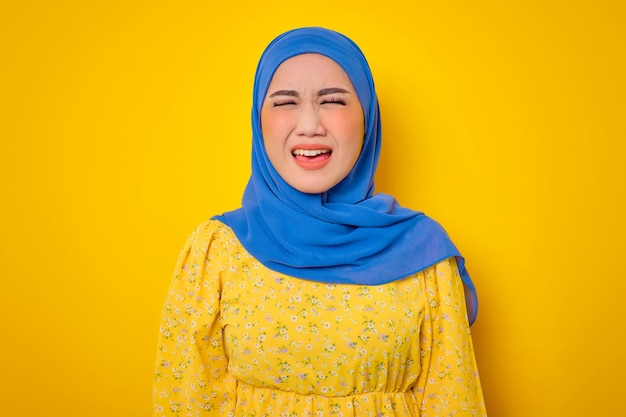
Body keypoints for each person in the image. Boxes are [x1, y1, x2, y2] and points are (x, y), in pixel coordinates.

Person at [152, 27, 486, 416]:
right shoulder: (216, 251)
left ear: (367, 118)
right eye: (284, 103)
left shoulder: (425, 254)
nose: (310, 124)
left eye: (332, 101)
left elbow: (454, 403)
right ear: (258, 122)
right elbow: (186, 401)